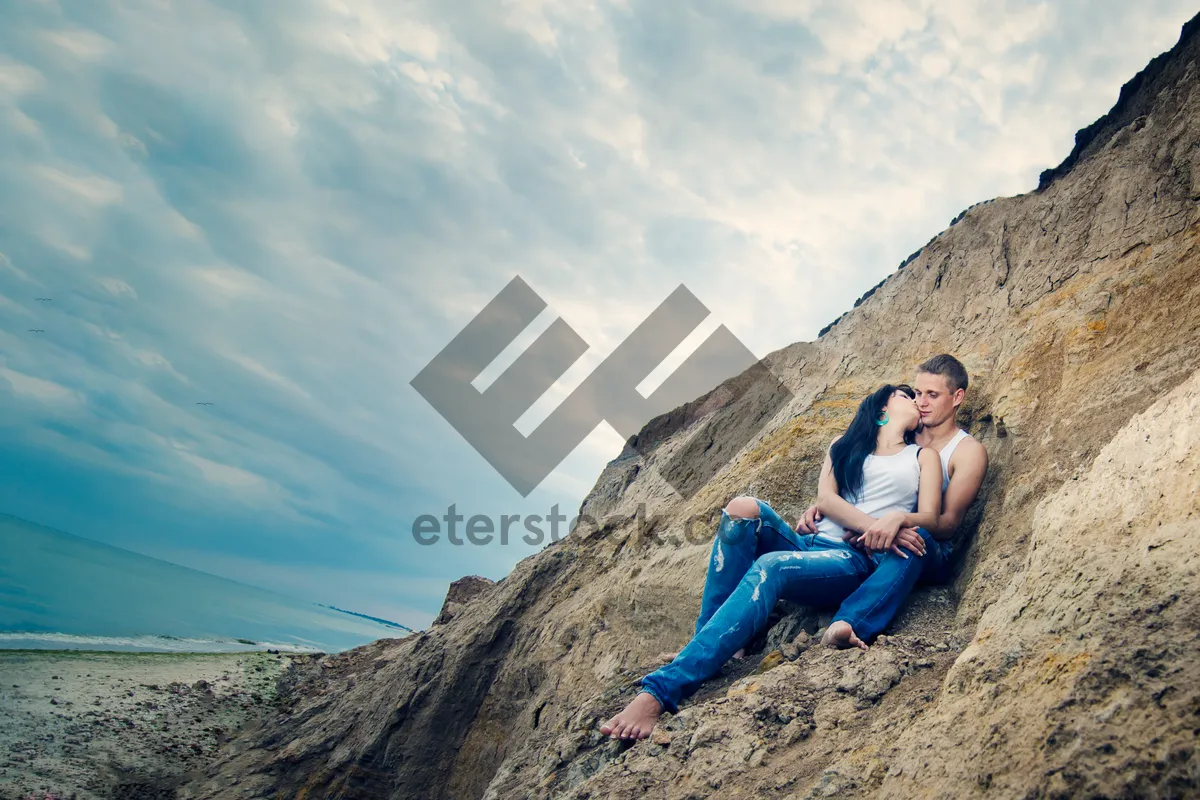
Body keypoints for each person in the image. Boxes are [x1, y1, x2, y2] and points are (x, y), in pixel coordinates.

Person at [600, 383, 943, 740]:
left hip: (849, 558)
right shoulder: (842, 447)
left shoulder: (922, 457)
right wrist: (874, 523)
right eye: (906, 395)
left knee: (772, 566)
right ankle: (711, 640)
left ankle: (659, 692)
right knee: (742, 508)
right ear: (880, 410)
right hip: (808, 542)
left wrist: (892, 524)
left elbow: (932, 517)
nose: (917, 401)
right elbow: (826, 500)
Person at [799, 354, 988, 650]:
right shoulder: (904, 433)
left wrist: (898, 520)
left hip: (924, 549)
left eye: (932, 395)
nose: (921, 402)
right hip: (878, 543)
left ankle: (849, 622)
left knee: (918, 535)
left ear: (957, 397)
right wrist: (831, 508)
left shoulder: (967, 451)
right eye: (917, 393)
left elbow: (949, 524)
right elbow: (871, 481)